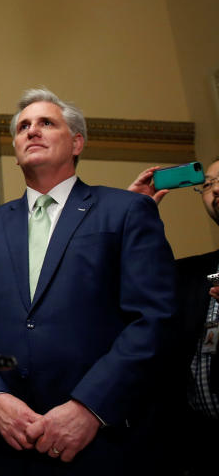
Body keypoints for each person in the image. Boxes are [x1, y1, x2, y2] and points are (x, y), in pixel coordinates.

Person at [0, 88, 175, 475]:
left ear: (77, 142)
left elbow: (154, 318)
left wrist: (89, 407)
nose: (31, 131)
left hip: (101, 444)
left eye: (46, 123)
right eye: (23, 127)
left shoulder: (126, 210)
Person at [130, 159, 219, 476]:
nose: (215, 188)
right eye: (207, 184)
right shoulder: (193, 273)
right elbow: (138, 287)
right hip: (199, 449)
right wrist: (138, 214)